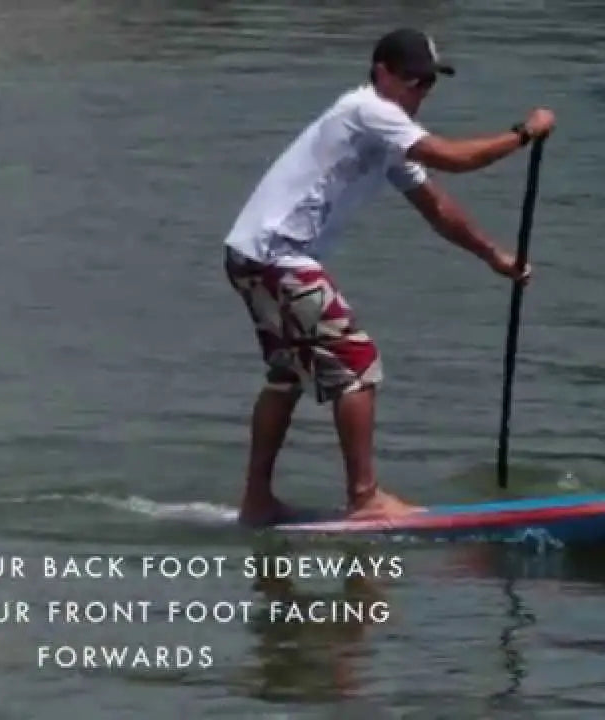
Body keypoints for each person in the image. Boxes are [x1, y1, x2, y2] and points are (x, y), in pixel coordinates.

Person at [222, 27, 556, 526]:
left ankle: (257, 501)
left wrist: (494, 256)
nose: (421, 92)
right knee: (357, 362)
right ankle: (365, 499)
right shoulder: (368, 110)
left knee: (287, 374)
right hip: (277, 256)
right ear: (382, 73)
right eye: (414, 81)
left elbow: (436, 206)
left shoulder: (387, 134)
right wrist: (524, 133)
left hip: (252, 254)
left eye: (429, 83)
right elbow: (454, 158)